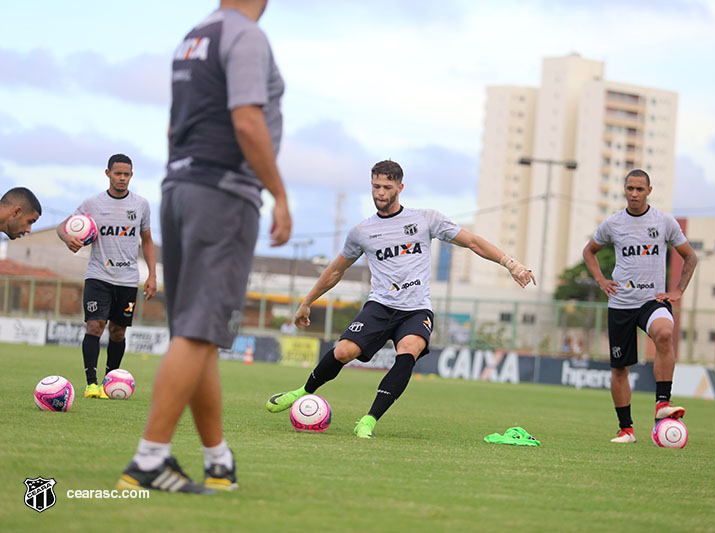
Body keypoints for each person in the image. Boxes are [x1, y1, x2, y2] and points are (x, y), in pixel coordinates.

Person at [117, 0, 291, 494]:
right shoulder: (246, 36)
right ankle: (149, 459)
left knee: (199, 336)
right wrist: (278, 193)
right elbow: (247, 121)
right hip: (224, 194)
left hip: (181, 187)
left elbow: (174, 127)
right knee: (197, 334)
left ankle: (218, 461)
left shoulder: (194, 35)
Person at [266, 160, 534, 438]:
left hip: (416, 309)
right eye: (376, 186)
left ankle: (369, 420)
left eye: (387, 187)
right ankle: (302, 391)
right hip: (380, 305)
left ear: (400, 187)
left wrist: (510, 263)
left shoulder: (425, 219)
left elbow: (473, 242)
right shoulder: (362, 232)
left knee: (409, 350)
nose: (380, 192)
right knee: (344, 352)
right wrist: (306, 302)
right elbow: (336, 270)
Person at [582, 169, 697, 444]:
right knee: (620, 369)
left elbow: (690, 257)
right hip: (621, 304)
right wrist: (601, 280)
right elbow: (589, 251)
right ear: (624, 190)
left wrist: (678, 291)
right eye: (630, 189)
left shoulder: (664, 222)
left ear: (649, 191)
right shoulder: (612, 224)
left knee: (665, 334)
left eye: (639, 189)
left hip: (651, 301)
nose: (634, 194)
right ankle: (626, 430)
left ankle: (662, 404)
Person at [57, 154, 156, 400]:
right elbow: (63, 226)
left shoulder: (141, 204)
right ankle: (91, 384)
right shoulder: (92, 203)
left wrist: (152, 274)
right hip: (98, 275)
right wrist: (67, 237)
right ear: (108, 173)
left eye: (126, 174)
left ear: (131, 175)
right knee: (94, 325)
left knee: (118, 332)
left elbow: (147, 240)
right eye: (117, 173)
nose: (122, 178)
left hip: (128, 279)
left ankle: (108, 382)